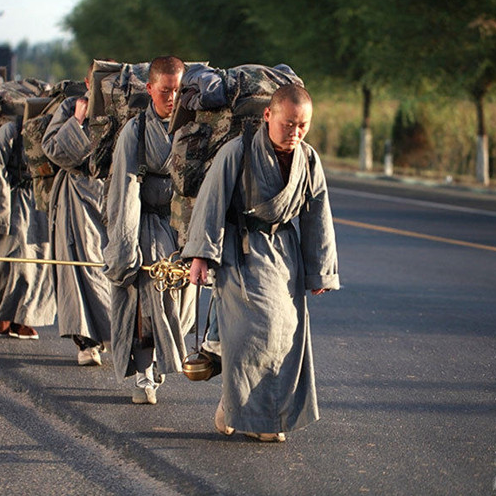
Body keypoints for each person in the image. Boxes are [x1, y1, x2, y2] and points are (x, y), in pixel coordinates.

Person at [182, 84, 340, 442]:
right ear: (268, 115)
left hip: (286, 253)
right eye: (288, 124)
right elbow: (212, 202)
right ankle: (242, 411)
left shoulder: (308, 159)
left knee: (285, 338)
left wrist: (321, 270)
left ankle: (260, 416)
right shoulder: (237, 151)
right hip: (242, 252)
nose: (296, 133)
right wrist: (201, 256)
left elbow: (318, 214)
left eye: (303, 126)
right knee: (253, 337)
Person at [102, 56, 191, 405]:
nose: (172, 98)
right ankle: (143, 372)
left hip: (184, 226)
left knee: (181, 306)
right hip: (147, 224)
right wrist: (124, 249)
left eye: (179, 91)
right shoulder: (135, 132)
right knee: (149, 295)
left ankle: (159, 361)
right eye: (165, 91)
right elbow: (124, 193)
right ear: (150, 89)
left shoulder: (195, 129)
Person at [42, 68, 111, 366]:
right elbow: (53, 149)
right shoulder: (71, 107)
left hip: (111, 195)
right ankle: (86, 340)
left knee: (110, 266)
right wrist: (77, 121)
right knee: (80, 268)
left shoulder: (125, 107)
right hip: (76, 196)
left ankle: (111, 331)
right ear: (87, 82)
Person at [0, 110, 56, 340]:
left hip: (40, 197)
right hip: (13, 197)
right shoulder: (9, 130)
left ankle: (25, 317)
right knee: (13, 260)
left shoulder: (52, 124)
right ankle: (2, 313)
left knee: (40, 262)